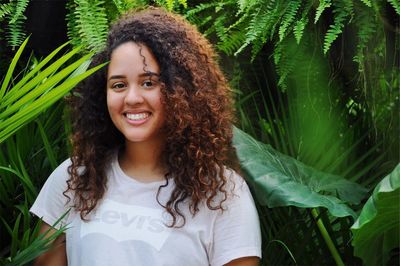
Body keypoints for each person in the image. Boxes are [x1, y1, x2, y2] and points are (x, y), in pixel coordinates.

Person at [30, 7, 261, 266]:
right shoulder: (73, 178)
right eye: (118, 85)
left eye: (149, 82)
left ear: (181, 89)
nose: (132, 98)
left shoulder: (222, 192)